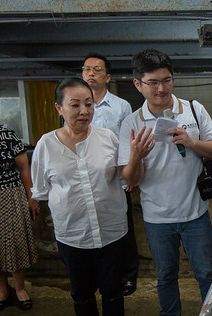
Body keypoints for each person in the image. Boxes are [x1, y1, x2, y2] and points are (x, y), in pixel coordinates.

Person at [119, 49, 212, 316]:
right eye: (152, 83)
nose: (161, 89)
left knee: (206, 273)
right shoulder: (131, 123)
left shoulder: (192, 109)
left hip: (195, 213)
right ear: (138, 85)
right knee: (165, 276)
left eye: (166, 81)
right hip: (157, 216)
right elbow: (129, 178)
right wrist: (136, 155)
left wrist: (190, 142)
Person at [31, 78, 128, 316]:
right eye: (75, 105)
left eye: (88, 104)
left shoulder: (108, 139)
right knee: (81, 293)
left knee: (113, 290)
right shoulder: (46, 146)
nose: (84, 110)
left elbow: (124, 180)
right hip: (72, 234)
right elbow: (42, 190)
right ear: (60, 108)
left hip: (111, 231)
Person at [82, 53, 139, 297]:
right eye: (86, 69)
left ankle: (128, 275)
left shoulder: (120, 106)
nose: (90, 73)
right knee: (92, 227)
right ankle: (97, 274)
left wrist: (129, 176)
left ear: (107, 77)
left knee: (124, 229)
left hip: (115, 178)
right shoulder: (74, 104)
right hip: (86, 179)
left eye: (96, 69)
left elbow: (127, 142)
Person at [0, 122, 38, 311]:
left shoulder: (7, 135)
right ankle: (3, 290)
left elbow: (24, 169)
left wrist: (31, 198)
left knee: (14, 242)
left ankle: (20, 289)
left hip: (10, 195)